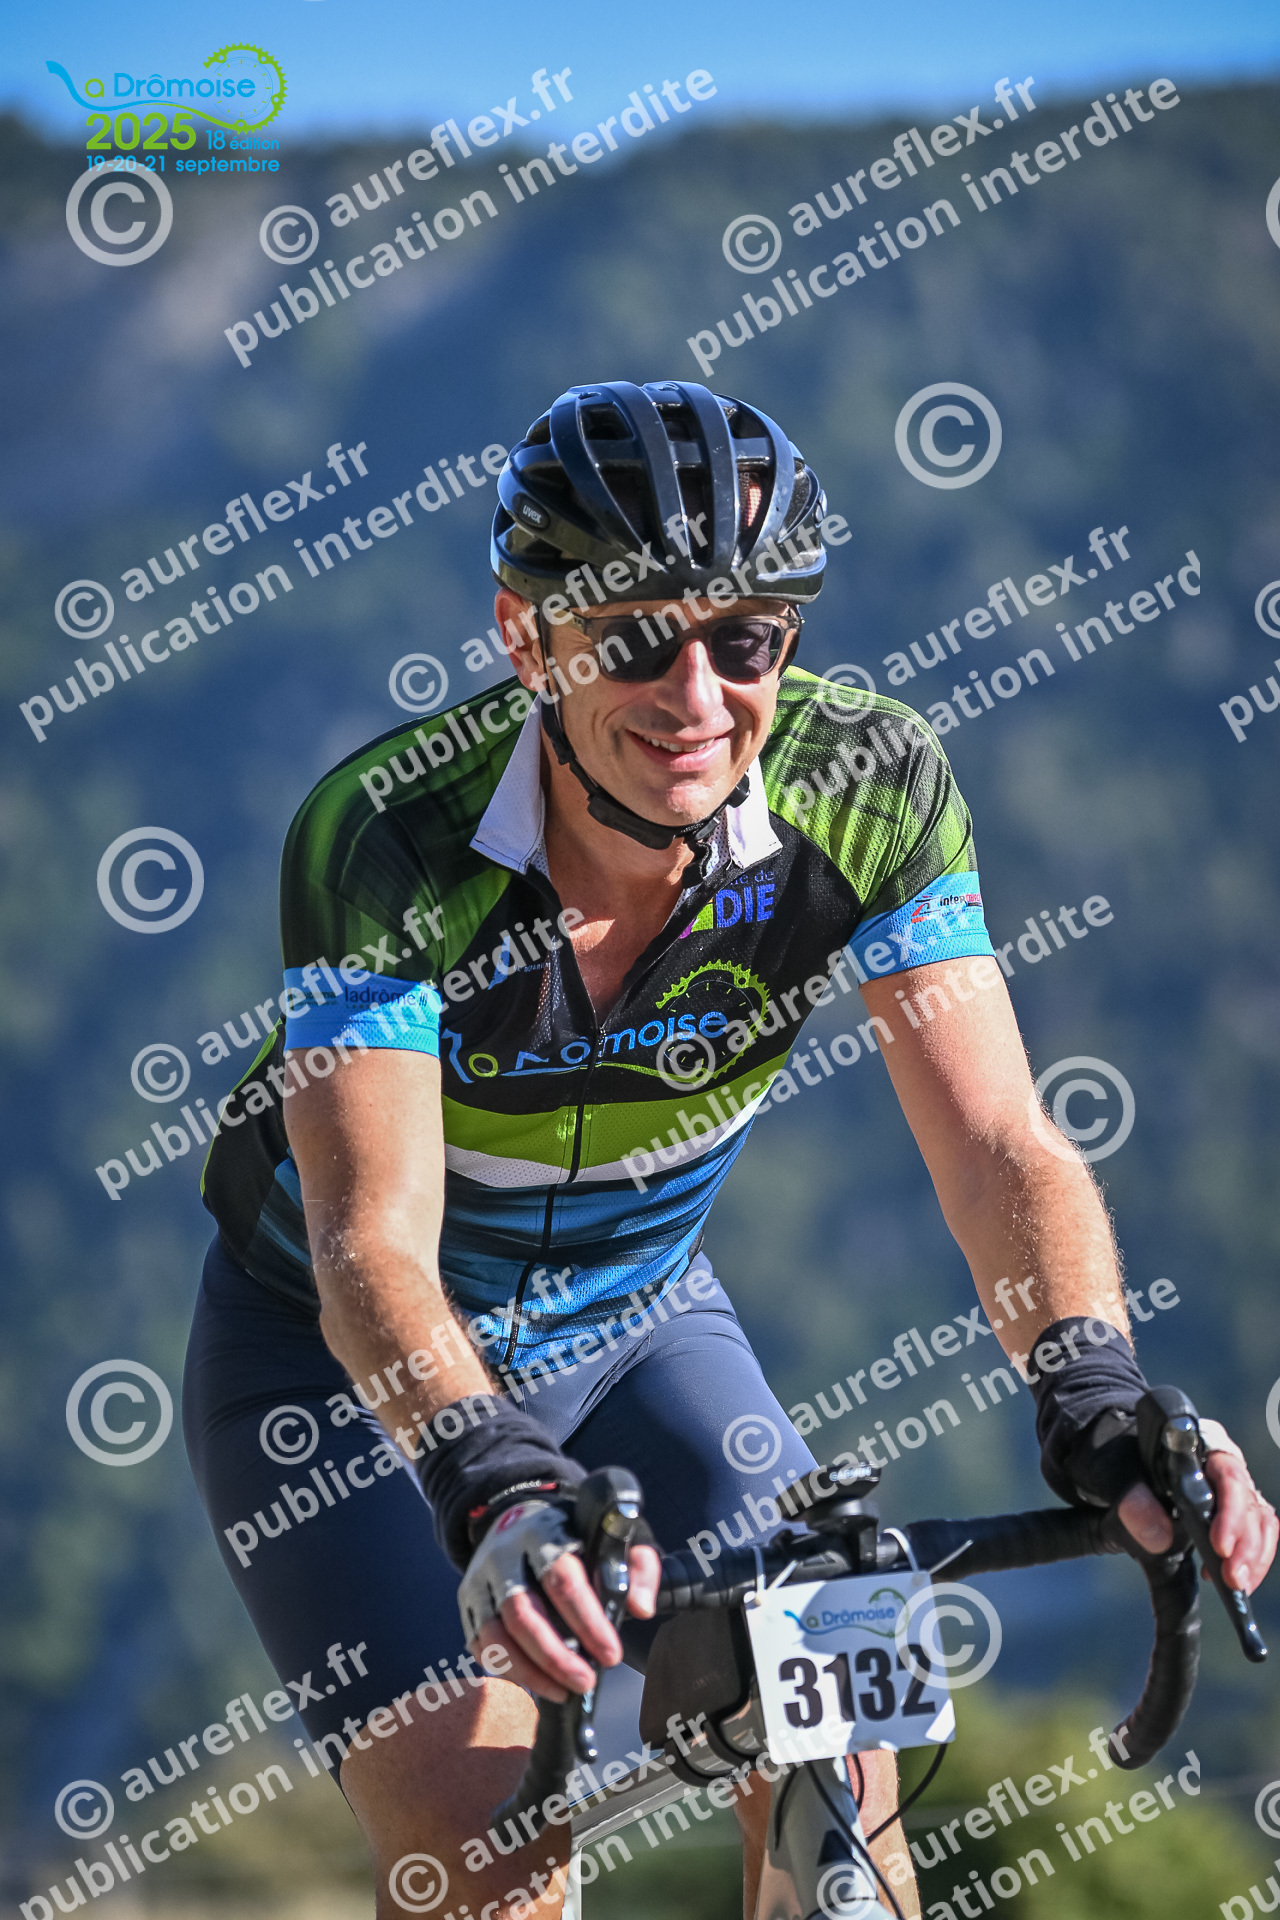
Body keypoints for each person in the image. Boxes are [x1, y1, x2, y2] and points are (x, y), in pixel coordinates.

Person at [185, 379, 1276, 1920]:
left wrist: (1092, 1379)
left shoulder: (873, 790)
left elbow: (998, 1142)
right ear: (527, 639)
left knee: (843, 1759)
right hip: (346, 1370)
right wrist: (487, 1479)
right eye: (635, 638)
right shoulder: (386, 835)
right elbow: (373, 1240)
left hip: (641, 1330)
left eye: (747, 639)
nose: (696, 694)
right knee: (485, 1842)